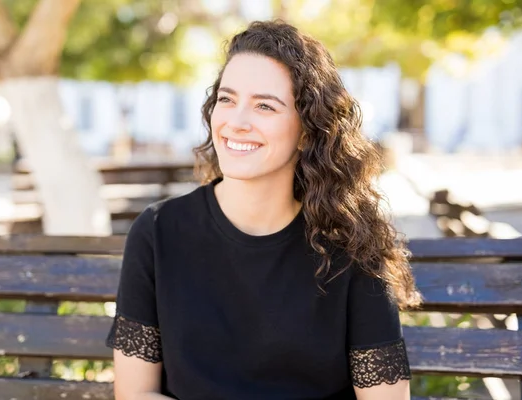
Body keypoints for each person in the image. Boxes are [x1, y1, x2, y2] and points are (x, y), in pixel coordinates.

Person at [106, 20, 422, 400]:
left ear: (308, 130)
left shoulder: (352, 247)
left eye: (264, 106)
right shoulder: (158, 232)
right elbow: (135, 393)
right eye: (226, 99)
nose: (236, 122)